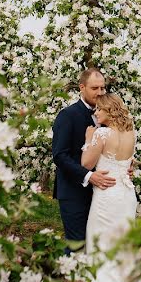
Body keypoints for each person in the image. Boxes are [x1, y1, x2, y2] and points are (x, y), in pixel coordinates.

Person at [80, 93, 141, 282]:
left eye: (99, 110)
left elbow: (87, 163)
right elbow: (129, 164)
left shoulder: (102, 134)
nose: (95, 113)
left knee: (100, 242)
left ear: (110, 111)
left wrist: (88, 140)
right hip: (126, 195)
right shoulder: (131, 133)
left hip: (106, 195)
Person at [51, 68, 116, 245]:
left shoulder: (108, 116)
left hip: (102, 194)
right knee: (77, 244)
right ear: (82, 87)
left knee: (96, 246)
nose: (100, 93)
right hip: (73, 192)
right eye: (95, 88)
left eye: (103, 88)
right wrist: (89, 176)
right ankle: (59, 273)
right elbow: (59, 155)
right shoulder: (67, 115)